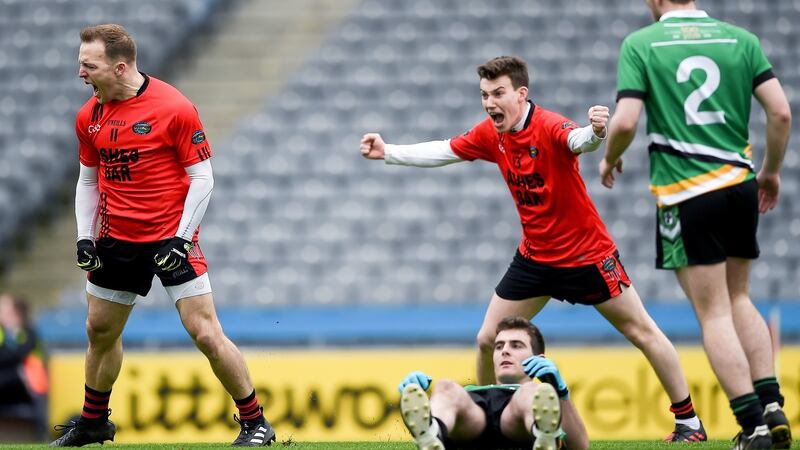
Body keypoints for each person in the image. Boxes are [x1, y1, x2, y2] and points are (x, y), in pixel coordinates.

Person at [361, 55, 705, 441]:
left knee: (642, 331)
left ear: (521, 94)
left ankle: (689, 422)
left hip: (586, 255)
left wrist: (596, 132)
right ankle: (491, 427)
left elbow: (578, 140)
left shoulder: (549, 125)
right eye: (484, 95)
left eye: (498, 93)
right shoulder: (493, 134)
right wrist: (388, 151)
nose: (490, 103)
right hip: (536, 258)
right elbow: (446, 150)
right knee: (486, 339)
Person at [51, 24, 276, 447]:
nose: (80, 73)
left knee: (205, 332)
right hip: (115, 238)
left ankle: (255, 422)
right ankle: (94, 421)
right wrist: (84, 237)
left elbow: (203, 177)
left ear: (119, 67)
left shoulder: (174, 107)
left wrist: (181, 238)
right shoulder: (89, 115)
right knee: (100, 330)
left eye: (88, 65)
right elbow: (88, 180)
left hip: (170, 237)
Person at [600, 1, 792, 449]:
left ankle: (753, 426)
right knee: (740, 296)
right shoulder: (741, 40)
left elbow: (626, 120)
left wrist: (610, 156)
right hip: (741, 186)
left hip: (685, 192)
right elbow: (780, 113)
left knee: (714, 312)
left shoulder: (642, 44)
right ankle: (772, 403)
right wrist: (771, 170)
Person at [397, 316, 588, 450]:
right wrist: (411, 393)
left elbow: (580, 446)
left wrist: (561, 393)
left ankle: (546, 437)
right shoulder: (471, 395)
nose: (504, 351)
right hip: (472, 422)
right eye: (499, 346)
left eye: (516, 345)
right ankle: (431, 433)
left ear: (539, 358)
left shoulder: (538, 395)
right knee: (445, 386)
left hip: (517, 422)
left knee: (531, 391)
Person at [0, 294, 48, 442]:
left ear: (15, 311)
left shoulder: (28, 331)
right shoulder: (3, 332)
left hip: (31, 385)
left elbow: (23, 351)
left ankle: (40, 437)